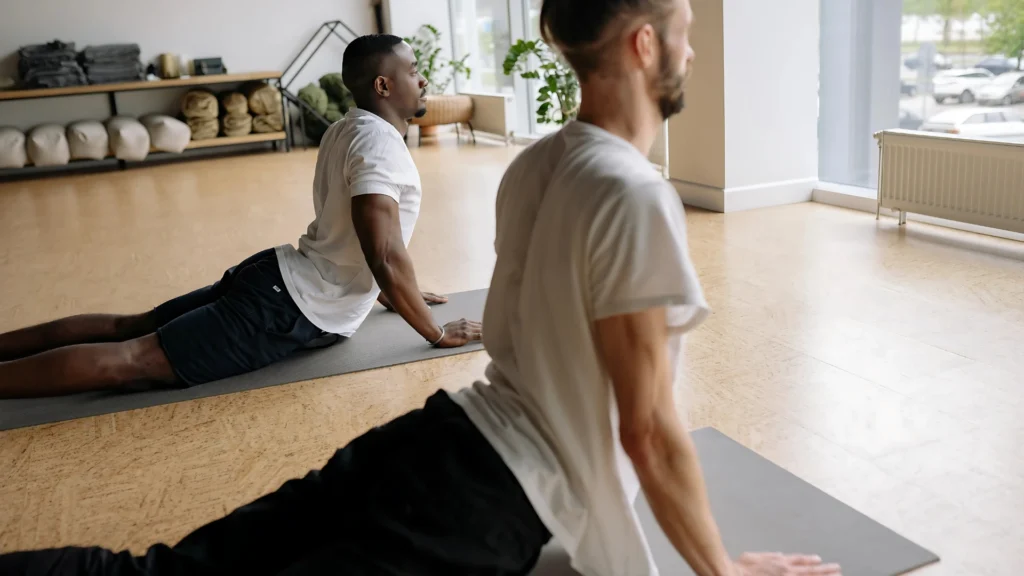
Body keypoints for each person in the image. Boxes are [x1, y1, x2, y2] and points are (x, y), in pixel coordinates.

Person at [0, 4, 842, 575]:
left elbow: (530, 333)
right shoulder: (632, 193)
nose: (692, 49)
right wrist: (720, 568)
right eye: (685, 29)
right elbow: (648, 428)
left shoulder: (539, 163)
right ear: (642, 44)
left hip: (438, 438)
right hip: (483, 500)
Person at [0, 34, 481, 400]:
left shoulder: (348, 128)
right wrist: (435, 332)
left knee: (128, 327)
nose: (423, 79)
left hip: (276, 276)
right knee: (130, 359)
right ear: (383, 84)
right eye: (414, 70)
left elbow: (354, 238)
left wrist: (393, 296)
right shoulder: (380, 145)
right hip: (285, 308)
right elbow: (383, 252)